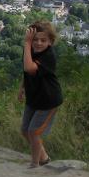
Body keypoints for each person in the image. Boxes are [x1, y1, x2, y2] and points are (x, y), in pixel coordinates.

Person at [17, 20, 62, 168]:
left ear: (50, 41)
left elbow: (30, 68)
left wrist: (27, 43)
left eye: (43, 40)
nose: (38, 43)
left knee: (34, 132)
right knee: (25, 131)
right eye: (35, 39)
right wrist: (22, 87)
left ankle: (35, 164)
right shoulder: (30, 50)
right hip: (34, 98)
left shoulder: (48, 55)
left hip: (48, 100)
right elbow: (26, 70)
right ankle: (44, 158)